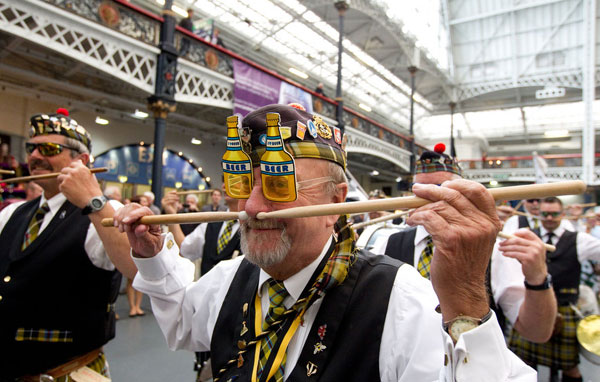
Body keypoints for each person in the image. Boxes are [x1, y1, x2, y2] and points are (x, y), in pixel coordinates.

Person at [114, 104, 534, 381]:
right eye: (243, 184)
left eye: (280, 185)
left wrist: (465, 302)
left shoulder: (401, 299)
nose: (252, 207)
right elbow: (184, 325)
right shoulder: (228, 278)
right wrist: (153, 257)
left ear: (336, 203)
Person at [0, 108, 135, 380]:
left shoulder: (104, 212)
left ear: (82, 160)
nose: (35, 157)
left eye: (48, 149)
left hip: (68, 373)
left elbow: (136, 268)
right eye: (31, 148)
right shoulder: (11, 214)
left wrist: (93, 201)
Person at [375, 143, 556, 343]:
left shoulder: (495, 248)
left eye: (438, 189)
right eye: (419, 190)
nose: (426, 198)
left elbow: (537, 333)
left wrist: (538, 278)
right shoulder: (389, 243)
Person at [508, 196, 600, 382]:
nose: (549, 218)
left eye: (555, 214)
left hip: (565, 310)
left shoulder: (578, 239)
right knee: (523, 363)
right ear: (538, 214)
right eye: (545, 214)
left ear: (563, 214)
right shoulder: (526, 235)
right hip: (533, 308)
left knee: (570, 369)